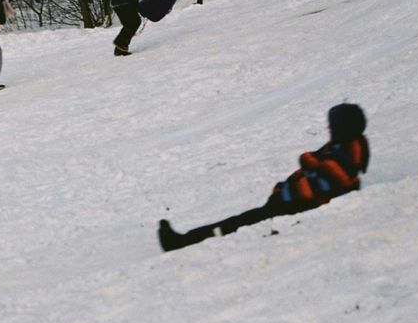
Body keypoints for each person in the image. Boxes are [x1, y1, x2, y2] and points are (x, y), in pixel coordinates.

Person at [158, 103, 370, 252]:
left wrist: (283, 195)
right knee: (239, 221)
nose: (329, 128)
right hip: (290, 205)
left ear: (343, 128)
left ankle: (181, 243)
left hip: (295, 208)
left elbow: (316, 187)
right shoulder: (342, 150)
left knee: (237, 225)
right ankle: (183, 240)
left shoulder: (344, 157)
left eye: (332, 125)